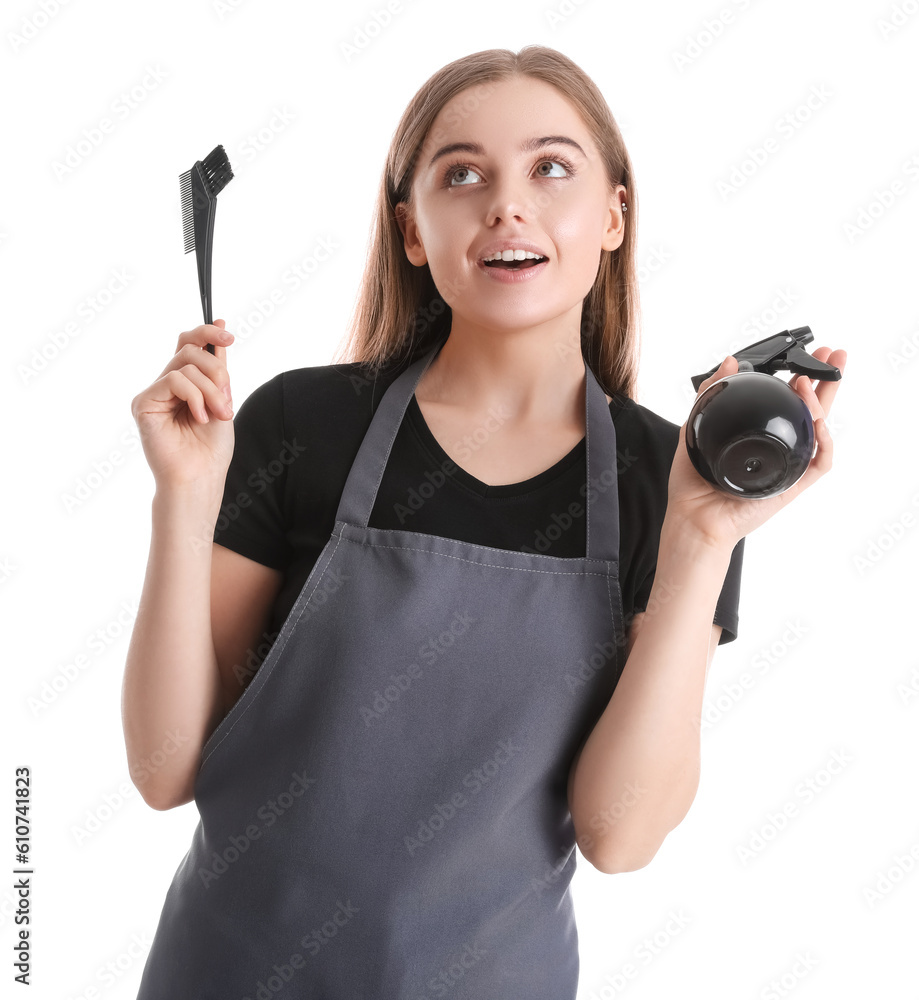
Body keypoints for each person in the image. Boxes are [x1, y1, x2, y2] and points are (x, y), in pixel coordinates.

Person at [124, 45, 846, 999]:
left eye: (551, 167)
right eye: (461, 174)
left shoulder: (663, 477)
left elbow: (619, 837)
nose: (507, 203)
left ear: (613, 216)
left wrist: (701, 537)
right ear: (412, 231)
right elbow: (167, 770)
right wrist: (184, 496)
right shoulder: (301, 424)